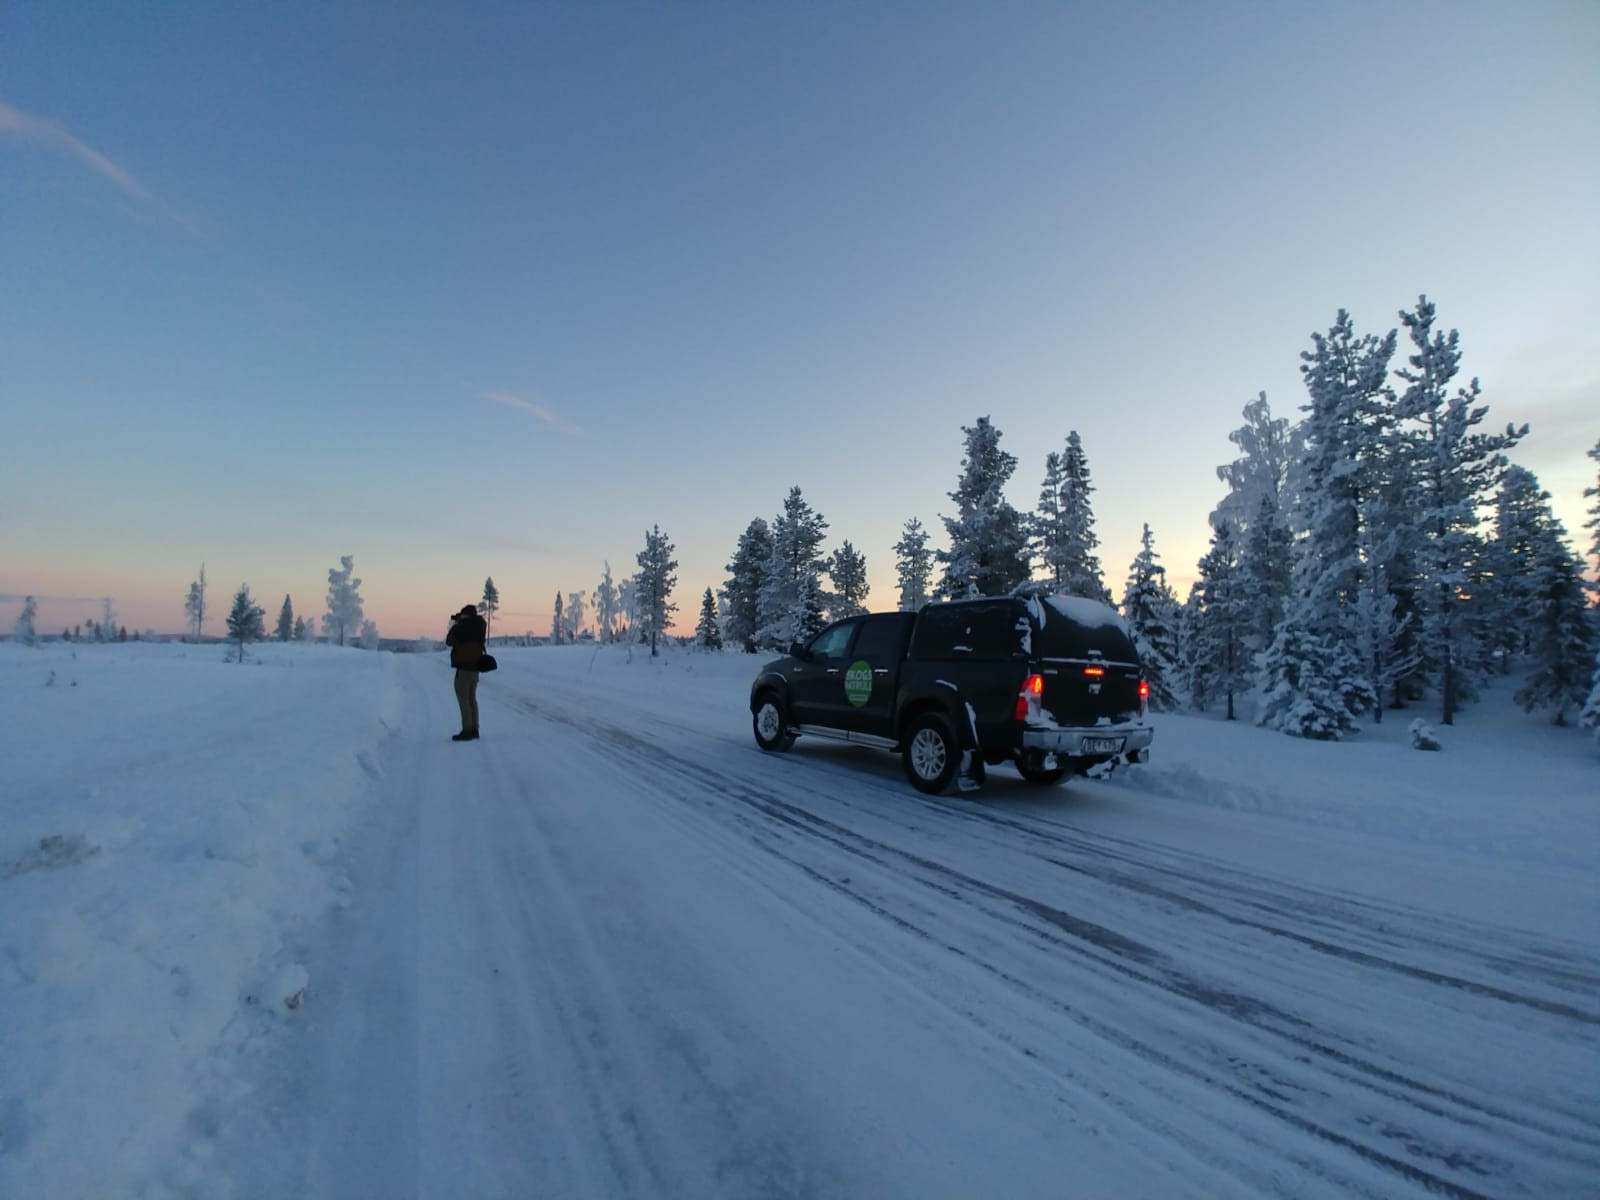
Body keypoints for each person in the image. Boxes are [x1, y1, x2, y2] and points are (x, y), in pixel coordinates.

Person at [446, 604, 488, 741]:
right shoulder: (479, 626)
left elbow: (449, 640)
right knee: (471, 699)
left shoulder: (463, 628)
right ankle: (474, 728)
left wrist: (456, 624)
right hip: (475, 668)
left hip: (464, 668)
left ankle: (467, 730)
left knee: (463, 700)